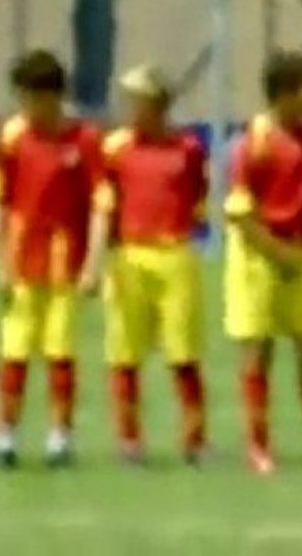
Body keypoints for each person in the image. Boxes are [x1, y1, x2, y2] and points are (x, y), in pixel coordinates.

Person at [0, 49, 102, 469]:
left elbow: (99, 203)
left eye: (32, 99)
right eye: (21, 99)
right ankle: (5, 437)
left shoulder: (85, 140)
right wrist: (0, 261)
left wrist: (94, 265)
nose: (27, 109)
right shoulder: (12, 135)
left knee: (60, 351)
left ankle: (60, 437)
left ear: (54, 96)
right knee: (15, 353)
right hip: (22, 261)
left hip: (65, 263)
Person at [224, 52, 302, 475]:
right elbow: (240, 212)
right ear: (284, 93)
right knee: (259, 351)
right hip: (260, 257)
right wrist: (275, 254)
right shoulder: (254, 142)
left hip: (297, 254)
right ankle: (258, 446)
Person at [87, 65, 207, 465]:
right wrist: (96, 262)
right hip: (130, 258)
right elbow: (103, 207)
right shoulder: (115, 148)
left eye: (137, 99)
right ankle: (129, 440)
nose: (130, 107)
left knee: (183, 351)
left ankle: (194, 440)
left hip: (175, 255)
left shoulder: (187, 149)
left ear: (158, 104)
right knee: (124, 352)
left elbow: (197, 199)